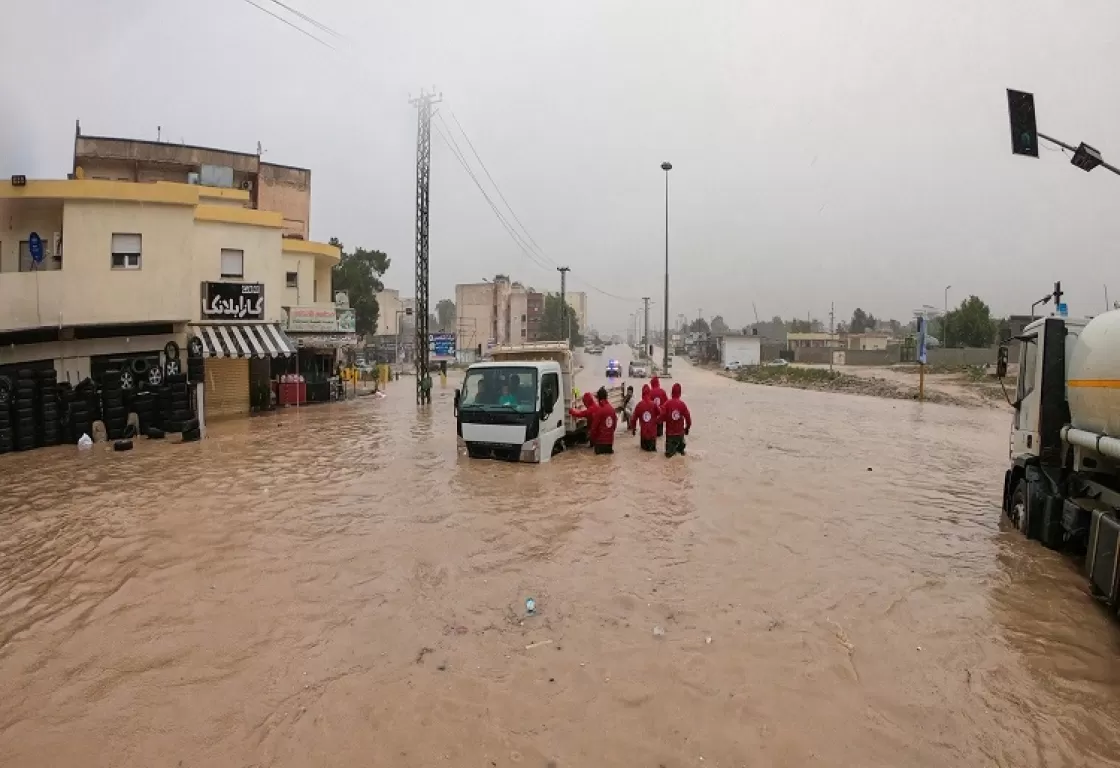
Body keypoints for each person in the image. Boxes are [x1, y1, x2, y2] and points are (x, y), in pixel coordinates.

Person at [659, 382, 692, 457]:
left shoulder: (667, 404)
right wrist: (687, 428)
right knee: (681, 455)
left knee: (668, 457)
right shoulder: (682, 404)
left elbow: (662, 415)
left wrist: (656, 422)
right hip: (680, 435)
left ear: (672, 392)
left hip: (670, 435)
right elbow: (688, 418)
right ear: (680, 393)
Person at [629, 384, 660, 452]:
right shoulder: (654, 404)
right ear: (649, 393)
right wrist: (657, 422)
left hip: (644, 436)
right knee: (652, 456)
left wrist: (633, 429)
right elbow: (660, 414)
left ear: (642, 393)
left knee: (643, 454)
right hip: (653, 435)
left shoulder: (639, 405)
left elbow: (633, 419)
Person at [592, 386, 617, 455]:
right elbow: (614, 426)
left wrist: (593, 440)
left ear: (599, 398)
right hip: (609, 444)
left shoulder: (599, 410)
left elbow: (594, 428)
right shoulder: (612, 409)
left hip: (600, 443)